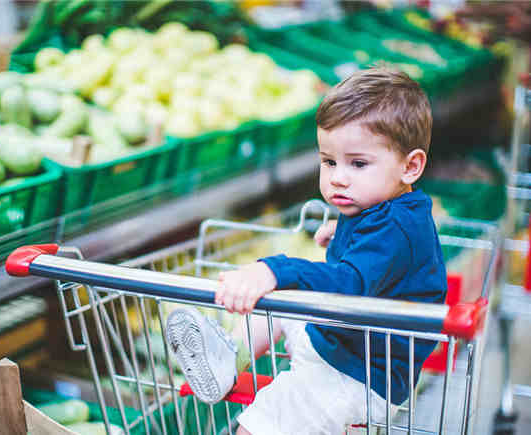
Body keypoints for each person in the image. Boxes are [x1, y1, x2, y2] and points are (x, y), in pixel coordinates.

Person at [166, 66, 447, 435]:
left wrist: (275, 269)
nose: (337, 177)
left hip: (355, 376)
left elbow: (350, 282)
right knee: (286, 299)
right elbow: (380, 255)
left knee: (257, 427)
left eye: (357, 163)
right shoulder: (385, 208)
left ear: (411, 166)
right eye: (329, 161)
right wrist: (345, 235)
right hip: (342, 343)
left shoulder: (395, 228)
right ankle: (230, 357)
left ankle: (233, 358)